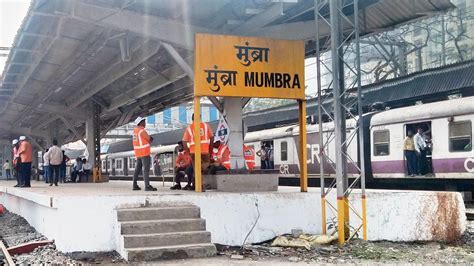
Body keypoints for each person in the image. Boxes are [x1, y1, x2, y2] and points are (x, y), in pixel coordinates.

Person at [182, 114, 214, 190]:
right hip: (205, 151)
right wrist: (210, 150)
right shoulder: (206, 126)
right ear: (199, 118)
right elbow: (212, 138)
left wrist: (188, 152)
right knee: (205, 166)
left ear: (192, 119)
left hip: (194, 152)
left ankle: (198, 185)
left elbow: (184, 141)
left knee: (197, 169)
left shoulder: (189, 128)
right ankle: (199, 185)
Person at [132, 116, 157, 191]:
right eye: (144, 122)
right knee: (146, 170)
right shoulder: (141, 131)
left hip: (138, 153)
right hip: (144, 153)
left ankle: (134, 185)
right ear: (140, 123)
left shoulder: (135, 132)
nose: (145, 123)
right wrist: (150, 139)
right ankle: (147, 186)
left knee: (137, 169)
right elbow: (149, 139)